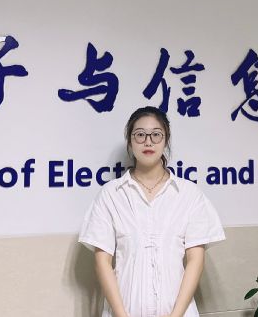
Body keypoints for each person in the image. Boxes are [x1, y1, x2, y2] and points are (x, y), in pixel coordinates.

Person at [78, 106, 225, 317]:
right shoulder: (110, 194)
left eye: (156, 134)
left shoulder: (189, 194)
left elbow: (195, 260)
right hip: (124, 311)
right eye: (140, 135)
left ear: (166, 140)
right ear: (130, 142)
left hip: (179, 312)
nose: (148, 142)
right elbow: (102, 262)